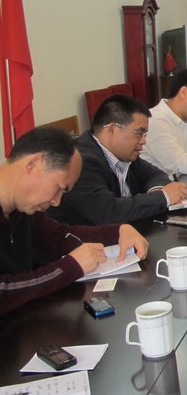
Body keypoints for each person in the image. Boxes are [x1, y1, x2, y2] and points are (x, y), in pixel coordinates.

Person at [0, 127, 149, 315]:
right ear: (33, 165)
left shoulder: (21, 208)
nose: (56, 201)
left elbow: (59, 237)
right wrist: (69, 268)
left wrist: (118, 231)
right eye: (59, 188)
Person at [48, 95, 187, 225]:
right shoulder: (82, 162)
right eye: (139, 133)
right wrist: (163, 197)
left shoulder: (124, 154)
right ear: (112, 130)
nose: (143, 141)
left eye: (145, 135)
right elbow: (107, 212)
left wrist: (156, 192)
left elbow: (155, 174)